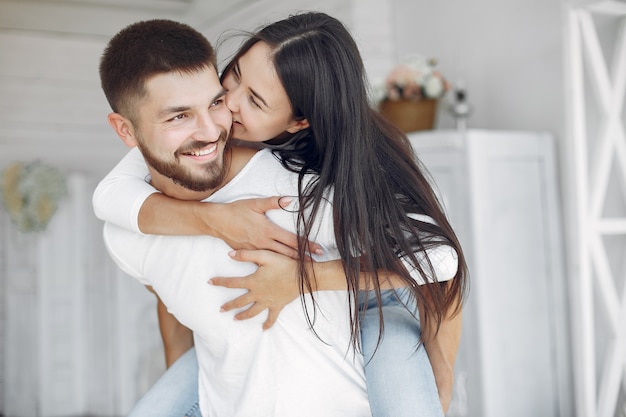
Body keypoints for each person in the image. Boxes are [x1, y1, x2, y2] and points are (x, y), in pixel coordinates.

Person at [94, 13, 467, 417]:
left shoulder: (318, 182)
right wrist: (216, 220)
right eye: (231, 79)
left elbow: (440, 262)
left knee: (394, 344)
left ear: (298, 121)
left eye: (253, 100)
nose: (226, 110)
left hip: (382, 290)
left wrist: (304, 279)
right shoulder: (149, 188)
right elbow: (112, 198)